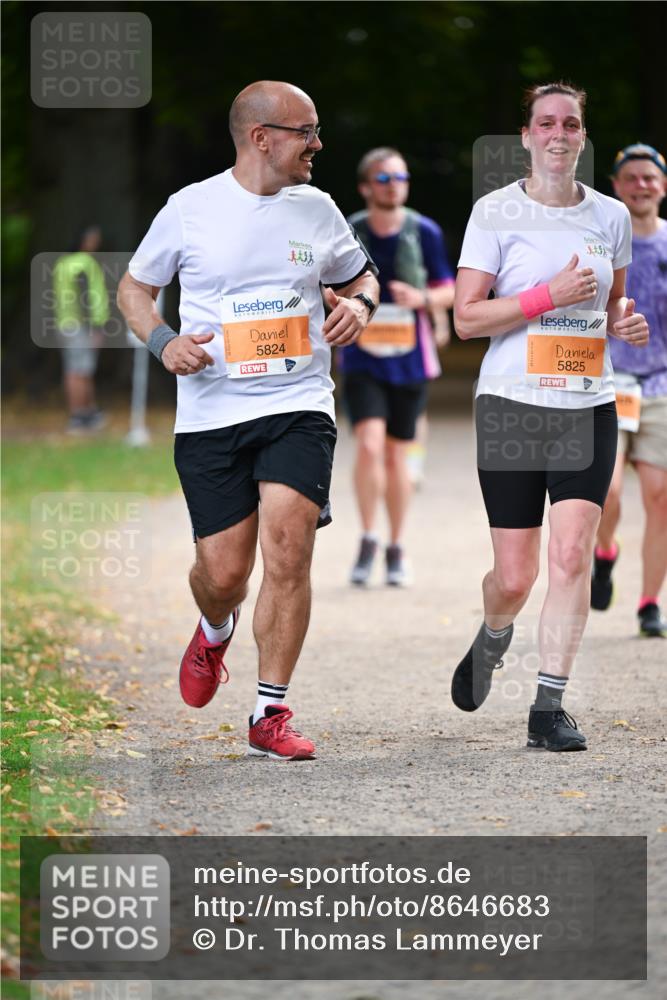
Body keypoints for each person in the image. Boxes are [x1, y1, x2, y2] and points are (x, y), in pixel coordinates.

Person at [118, 81, 379, 760]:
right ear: (262, 137)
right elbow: (135, 288)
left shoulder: (317, 209)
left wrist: (362, 306)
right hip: (211, 412)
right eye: (306, 131)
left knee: (289, 548)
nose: (318, 145)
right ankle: (213, 628)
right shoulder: (191, 209)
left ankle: (270, 712)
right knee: (224, 573)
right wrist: (162, 340)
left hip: (298, 405)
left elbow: (361, 276)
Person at [450, 82, 649, 751]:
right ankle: (493, 632)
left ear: (581, 137)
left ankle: (548, 707)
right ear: (528, 136)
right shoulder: (494, 212)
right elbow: (467, 317)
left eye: (570, 123)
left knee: (570, 556)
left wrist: (627, 323)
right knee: (515, 576)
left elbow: (613, 304)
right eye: (545, 122)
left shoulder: (610, 216)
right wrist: (544, 295)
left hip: (586, 404)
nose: (558, 133)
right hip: (510, 404)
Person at [339, 147, 455, 586]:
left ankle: (397, 545)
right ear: (366, 187)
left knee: (396, 455)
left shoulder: (422, 230)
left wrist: (422, 299)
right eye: (384, 179)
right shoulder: (350, 230)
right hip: (362, 354)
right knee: (369, 444)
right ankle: (368, 538)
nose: (394, 186)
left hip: (410, 356)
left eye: (400, 178)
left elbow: (450, 288)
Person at [591, 143, 667, 637]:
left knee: (661, 496)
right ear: (616, 187)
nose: (641, 185)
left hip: (662, 382)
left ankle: (648, 603)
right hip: (610, 379)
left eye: (650, 178)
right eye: (631, 178)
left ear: (662, 186)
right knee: (609, 490)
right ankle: (605, 550)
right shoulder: (603, 241)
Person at [53, 226, 108, 434]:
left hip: (64, 323)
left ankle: (88, 413)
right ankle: (78, 417)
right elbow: (85, 296)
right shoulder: (83, 264)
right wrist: (96, 326)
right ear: (84, 241)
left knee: (78, 369)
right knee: (79, 371)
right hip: (80, 325)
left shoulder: (62, 264)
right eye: (93, 240)